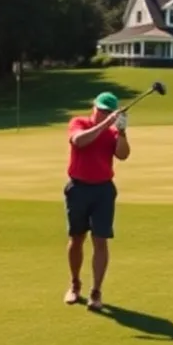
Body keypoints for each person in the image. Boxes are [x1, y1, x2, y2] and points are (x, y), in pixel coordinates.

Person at [63, 91, 131, 311]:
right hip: (78, 188)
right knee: (77, 238)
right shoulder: (78, 122)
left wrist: (121, 132)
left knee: (101, 240)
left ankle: (96, 291)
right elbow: (79, 141)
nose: (102, 114)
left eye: (107, 112)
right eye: (100, 110)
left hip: (103, 190)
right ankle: (75, 284)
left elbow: (123, 155)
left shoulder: (112, 133)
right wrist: (105, 125)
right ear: (93, 107)